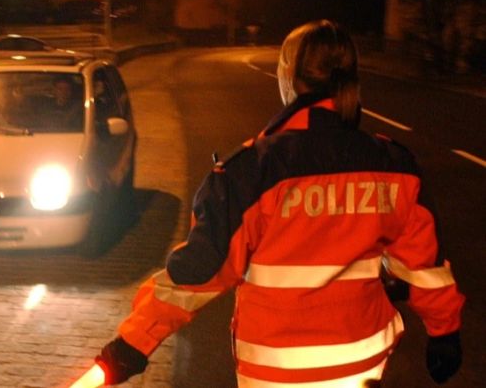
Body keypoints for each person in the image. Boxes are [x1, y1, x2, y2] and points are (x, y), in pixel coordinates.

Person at [90, 20, 465, 386]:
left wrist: (132, 345)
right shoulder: (392, 164)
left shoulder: (251, 172)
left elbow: (198, 274)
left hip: (276, 372)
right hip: (362, 363)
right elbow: (423, 267)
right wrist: (445, 332)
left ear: (288, 75)